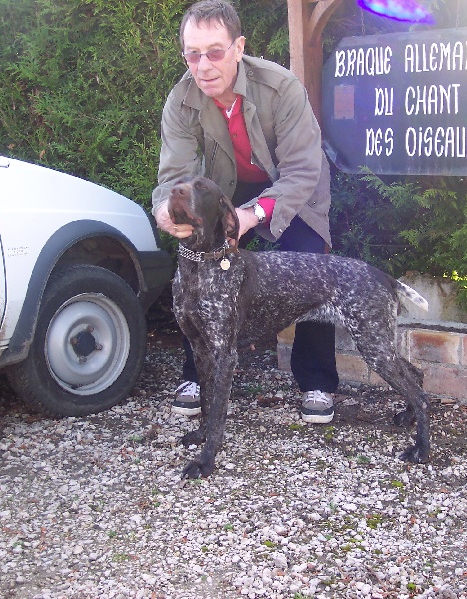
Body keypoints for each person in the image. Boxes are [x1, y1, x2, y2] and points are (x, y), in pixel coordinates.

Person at [151, 0, 339, 423]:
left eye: (215, 52)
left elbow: (301, 170)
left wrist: (251, 216)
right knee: (196, 266)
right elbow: (173, 176)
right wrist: (166, 211)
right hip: (225, 192)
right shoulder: (180, 100)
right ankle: (197, 375)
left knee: (310, 265)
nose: (203, 65)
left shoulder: (282, 86)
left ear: (238, 48)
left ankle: (317, 383)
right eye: (192, 54)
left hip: (293, 189)